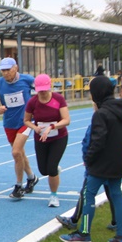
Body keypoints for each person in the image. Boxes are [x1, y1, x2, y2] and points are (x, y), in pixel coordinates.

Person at [60, 76, 122, 242]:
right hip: (118, 161)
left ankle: (84, 233)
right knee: (116, 195)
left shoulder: (101, 114)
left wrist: (89, 159)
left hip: (100, 163)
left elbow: (97, 141)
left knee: (88, 194)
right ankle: (121, 236)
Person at [0, 57, 38, 199]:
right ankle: (31, 177)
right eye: (2, 70)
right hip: (9, 123)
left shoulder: (27, 80)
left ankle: (18, 186)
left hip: (25, 122)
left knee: (16, 152)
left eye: (8, 70)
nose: (5, 73)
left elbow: (42, 92)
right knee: (20, 153)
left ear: (15, 68)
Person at [23, 73, 70, 208]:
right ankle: (53, 169)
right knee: (43, 170)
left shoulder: (58, 99)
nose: (42, 93)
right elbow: (26, 120)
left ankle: (53, 195)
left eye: (45, 90)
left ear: (49, 87)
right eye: (40, 90)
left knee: (51, 169)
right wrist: (35, 128)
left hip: (58, 137)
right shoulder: (33, 102)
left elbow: (66, 120)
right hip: (41, 138)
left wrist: (52, 126)